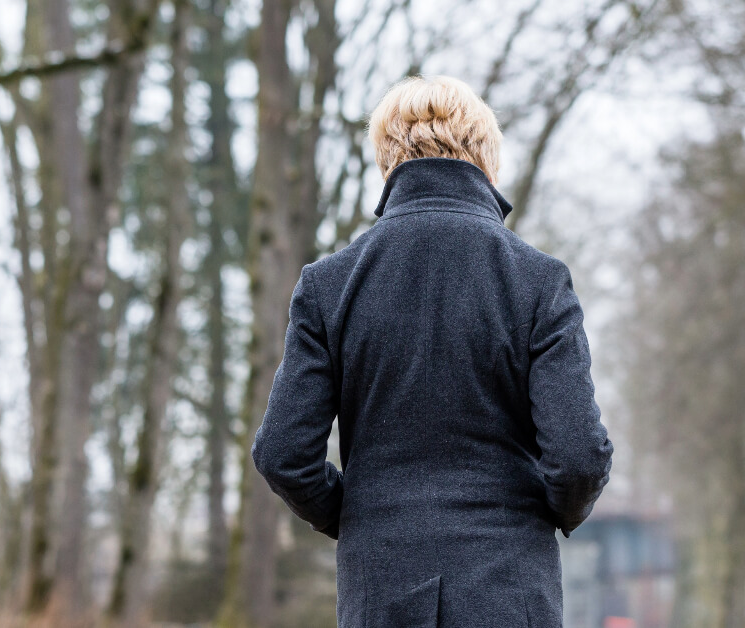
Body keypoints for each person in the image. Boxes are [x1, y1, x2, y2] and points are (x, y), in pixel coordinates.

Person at [250, 75, 613, 627]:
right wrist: (551, 511)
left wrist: (355, 513)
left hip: (381, 589)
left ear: (385, 160)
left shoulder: (329, 285)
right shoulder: (538, 281)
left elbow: (282, 453)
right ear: (487, 158)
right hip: (508, 591)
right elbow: (580, 455)